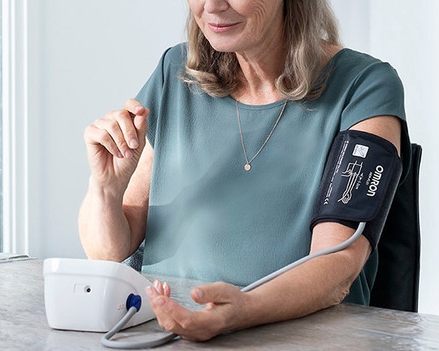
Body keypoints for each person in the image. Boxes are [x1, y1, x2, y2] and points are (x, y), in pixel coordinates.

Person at [79, 0, 411, 342]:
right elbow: (107, 254)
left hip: (294, 340)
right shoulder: (174, 73)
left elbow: (337, 265)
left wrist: (241, 311)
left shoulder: (365, 87)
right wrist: (107, 188)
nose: (212, 5)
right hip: (159, 333)